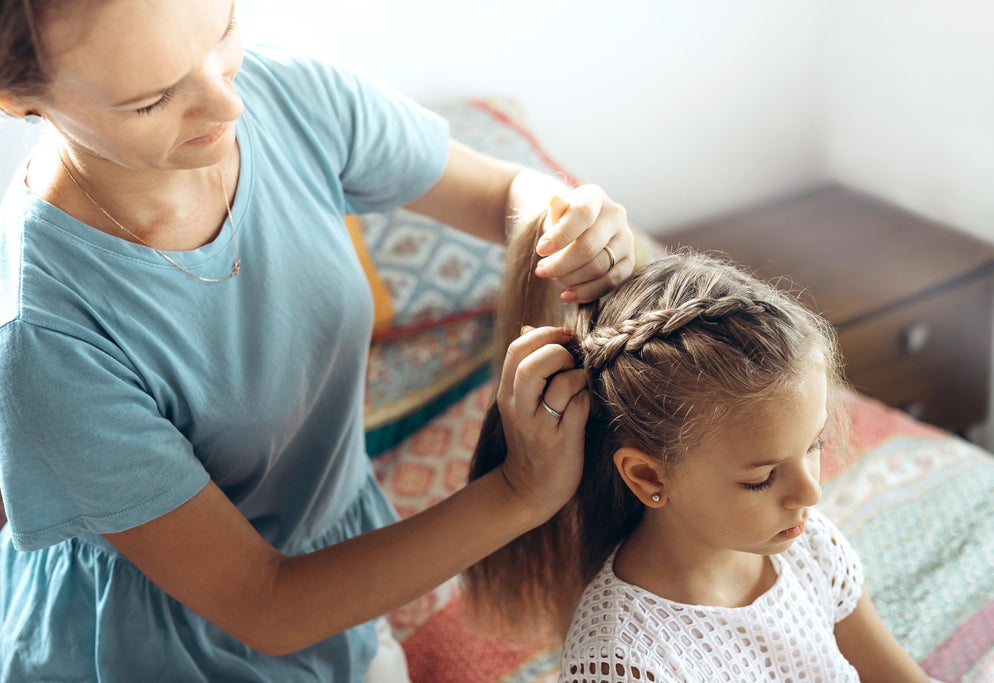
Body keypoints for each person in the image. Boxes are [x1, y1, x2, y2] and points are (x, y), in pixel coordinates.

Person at [0, 0, 636, 680]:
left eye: (223, 33)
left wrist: (571, 219)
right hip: (184, 646)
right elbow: (268, 605)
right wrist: (519, 491)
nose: (227, 104)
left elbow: (506, 191)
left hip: (328, 581)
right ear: (18, 98)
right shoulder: (47, 341)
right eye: (151, 101)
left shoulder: (287, 90)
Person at [465, 224, 933, 681]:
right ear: (649, 477)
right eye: (761, 478)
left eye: (814, 445)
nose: (809, 493)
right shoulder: (622, 661)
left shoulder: (811, 547)